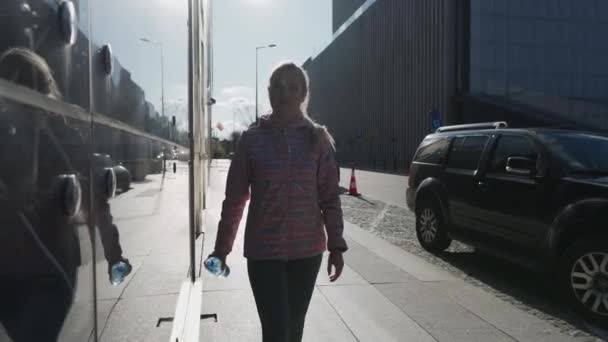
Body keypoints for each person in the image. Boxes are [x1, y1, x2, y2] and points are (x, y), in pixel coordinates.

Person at [209, 62, 348, 342]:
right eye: (278, 87)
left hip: (307, 253)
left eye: (292, 87)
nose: (284, 93)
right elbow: (235, 199)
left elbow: (329, 197)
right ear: (269, 93)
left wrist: (336, 245)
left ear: (303, 94)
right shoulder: (251, 141)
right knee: (276, 330)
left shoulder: (318, 139)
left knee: (294, 329)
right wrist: (221, 249)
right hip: (264, 254)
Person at [0, 47, 129, 341]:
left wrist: (114, 254)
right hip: (12, 273)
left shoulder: (62, 138)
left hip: (49, 272)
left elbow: (95, 198)